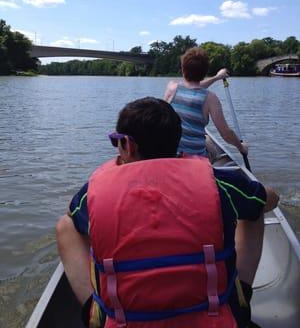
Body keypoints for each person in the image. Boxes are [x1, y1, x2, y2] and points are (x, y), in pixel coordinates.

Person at [56, 97, 279, 328]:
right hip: (212, 318)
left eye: (116, 142)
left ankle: (93, 314)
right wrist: (261, 196)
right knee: (254, 210)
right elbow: (268, 199)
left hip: (125, 321)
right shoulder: (218, 183)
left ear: (128, 145)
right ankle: (241, 297)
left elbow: (72, 217)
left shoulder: (93, 192)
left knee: (65, 226)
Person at [164, 47, 248, 157]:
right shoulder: (210, 99)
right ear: (205, 72)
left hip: (170, 153)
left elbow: (192, 87)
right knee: (210, 144)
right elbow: (226, 133)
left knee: (207, 139)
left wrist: (217, 77)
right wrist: (241, 147)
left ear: (183, 69)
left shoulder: (172, 87)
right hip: (195, 159)